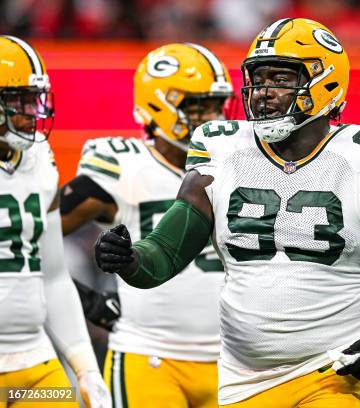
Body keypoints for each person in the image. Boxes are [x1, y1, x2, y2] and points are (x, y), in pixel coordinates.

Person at [94, 18, 360, 407]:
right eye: (259, 78)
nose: (263, 93)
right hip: (242, 377)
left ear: (326, 83)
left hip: (334, 370)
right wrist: (129, 260)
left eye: (281, 79)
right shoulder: (222, 151)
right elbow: (164, 254)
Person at [59, 43, 234, 407]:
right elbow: (27, 235)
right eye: (198, 106)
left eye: (218, 105)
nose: (212, 117)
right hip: (149, 354)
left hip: (236, 360)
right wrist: (84, 298)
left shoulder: (240, 164)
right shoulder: (126, 165)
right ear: (159, 105)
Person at [0, 35, 110, 408]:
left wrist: (85, 367)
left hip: (35, 360)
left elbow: (53, 276)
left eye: (36, 98)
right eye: (20, 100)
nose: (34, 111)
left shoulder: (39, 158)